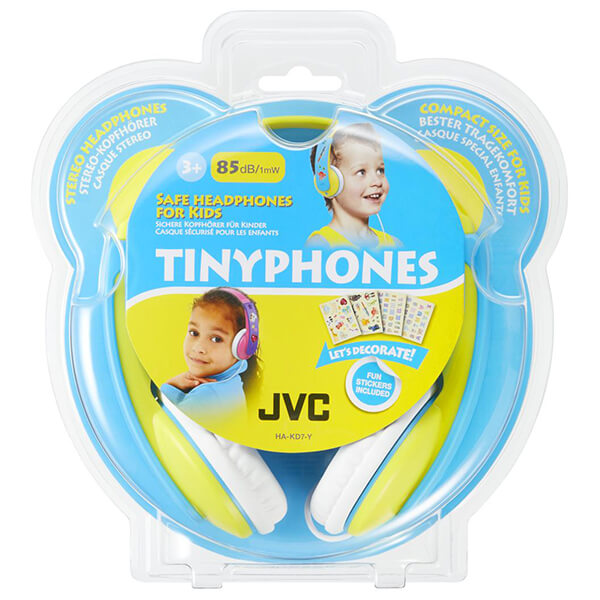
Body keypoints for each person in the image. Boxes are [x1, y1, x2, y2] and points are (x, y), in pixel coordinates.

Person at [160, 288, 259, 422]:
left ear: (242, 346)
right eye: (194, 333)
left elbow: (158, 424)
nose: (198, 348)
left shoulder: (207, 396)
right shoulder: (231, 385)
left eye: (216, 339)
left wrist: (169, 387)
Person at [307, 122, 400, 249]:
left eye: (380, 171)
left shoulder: (394, 244)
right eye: (361, 172)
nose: (377, 181)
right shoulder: (320, 244)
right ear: (329, 182)